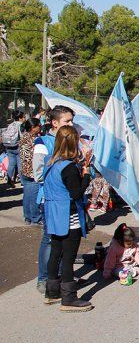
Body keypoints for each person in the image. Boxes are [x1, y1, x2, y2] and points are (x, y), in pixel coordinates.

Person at [42, 125, 93, 312]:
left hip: (53, 213)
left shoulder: (51, 163)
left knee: (56, 253)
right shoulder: (69, 168)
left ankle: (52, 291)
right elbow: (77, 193)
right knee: (69, 257)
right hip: (68, 215)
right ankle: (69, 297)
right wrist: (86, 176)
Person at [33, 105, 73, 294]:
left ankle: (61, 276)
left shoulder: (71, 140)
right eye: (67, 121)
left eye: (72, 120)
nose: (71, 124)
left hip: (67, 201)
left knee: (64, 241)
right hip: (50, 200)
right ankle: (45, 279)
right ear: (55, 123)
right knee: (50, 240)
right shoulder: (43, 142)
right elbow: (38, 174)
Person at [19, 117, 42, 225]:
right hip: (32, 171)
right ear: (33, 128)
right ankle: (35, 217)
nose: (40, 127)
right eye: (39, 126)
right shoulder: (35, 140)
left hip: (24, 170)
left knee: (27, 195)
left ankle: (28, 216)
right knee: (34, 195)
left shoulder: (24, 137)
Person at [3, 110, 26, 187]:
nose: (24, 118)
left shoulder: (10, 125)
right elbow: (23, 136)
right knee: (20, 165)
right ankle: (23, 182)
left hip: (8, 146)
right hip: (17, 146)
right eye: (23, 117)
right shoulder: (21, 125)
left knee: (11, 164)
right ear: (20, 118)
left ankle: (9, 180)